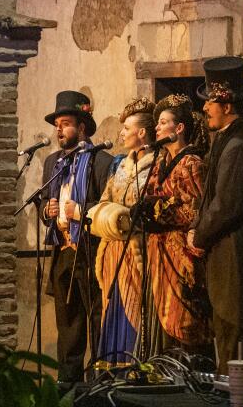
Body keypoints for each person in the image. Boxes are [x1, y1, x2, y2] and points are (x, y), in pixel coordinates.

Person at [189, 56, 243, 370]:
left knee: (232, 356)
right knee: (225, 352)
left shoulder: (237, 145)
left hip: (235, 265)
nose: (204, 109)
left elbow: (226, 205)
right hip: (225, 262)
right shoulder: (227, 140)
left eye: (209, 102)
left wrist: (198, 236)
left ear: (226, 105)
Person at [40, 90, 114, 389]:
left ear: (82, 126)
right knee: (68, 324)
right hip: (64, 252)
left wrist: (78, 211)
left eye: (66, 123)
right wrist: (48, 209)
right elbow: (44, 202)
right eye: (57, 124)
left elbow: (109, 208)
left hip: (91, 253)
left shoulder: (102, 161)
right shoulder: (51, 163)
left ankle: (98, 385)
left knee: (96, 319)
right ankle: (67, 386)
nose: (59, 130)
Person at [138, 93, 212, 358]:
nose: (156, 128)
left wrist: (160, 209)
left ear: (179, 128)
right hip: (159, 252)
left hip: (182, 255)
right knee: (165, 320)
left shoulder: (192, 163)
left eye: (162, 123)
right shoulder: (159, 163)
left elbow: (197, 211)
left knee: (186, 323)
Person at [89, 97, 156, 366]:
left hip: (138, 251)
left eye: (127, 129)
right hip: (114, 251)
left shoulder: (156, 164)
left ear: (142, 132)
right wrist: (108, 216)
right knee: (113, 310)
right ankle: (111, 373)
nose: (122, 134)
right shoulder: (120, 165)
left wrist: (123, 216)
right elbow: (105, 199)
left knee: (135, 312)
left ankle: (134, 371)